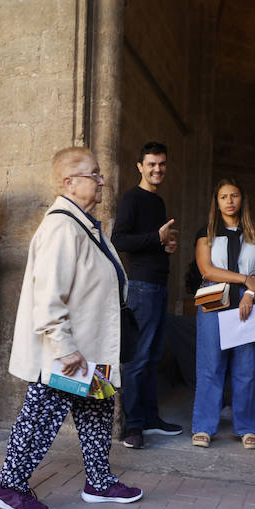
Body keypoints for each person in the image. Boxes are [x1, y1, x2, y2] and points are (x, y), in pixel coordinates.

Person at [0, 146, 143, 509]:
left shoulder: (82, 224)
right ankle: (8, 486)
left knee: (97, 411)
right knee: (41, 415)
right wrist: (63, 345)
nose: (102, 180)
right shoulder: (61, 226)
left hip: (92, 347)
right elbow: (49, 296)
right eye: (94, 174)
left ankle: (99, 482)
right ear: (69, 182)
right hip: (68, 351)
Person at [111, 141, 182, 448]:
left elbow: (152, 241)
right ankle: (132, 427)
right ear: (139, 166)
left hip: (158, 284)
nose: (157, 169)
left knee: (152, 357)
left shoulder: (158, 201)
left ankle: (150, 418)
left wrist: (165, 245)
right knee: (139, 358)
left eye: (162, 164)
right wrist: (156, 237)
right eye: (151, 164)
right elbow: (119, 240)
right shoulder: (132, 198)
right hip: (141, 286)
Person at [191, 179, 255, 449]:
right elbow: (207, 270)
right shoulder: (207, 232)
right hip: (215, 298)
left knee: (247, 367)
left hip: (248, 301)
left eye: (234, 195)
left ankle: (247, 427)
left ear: (242, 199)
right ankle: (203, 426)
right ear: (217, 201)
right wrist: (244, 279)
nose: (229, 201)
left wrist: (249, 292)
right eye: (223, 196)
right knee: (210, 365)